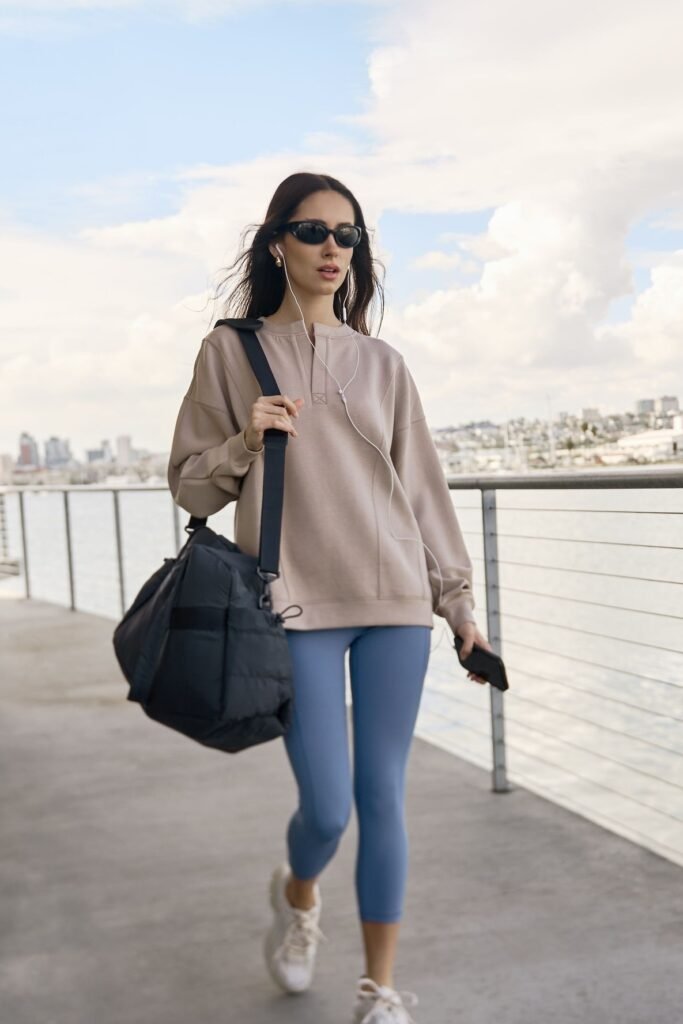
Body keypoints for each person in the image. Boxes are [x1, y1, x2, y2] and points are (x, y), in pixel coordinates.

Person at [167, 171, 494, 1024]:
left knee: (382, 797)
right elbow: (191, 490)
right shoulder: (229, 351)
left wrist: (457, 607)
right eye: (313, 232)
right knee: (326, 806)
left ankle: (378, 988)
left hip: (393, 604)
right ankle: (298, 895)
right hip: (294, 607)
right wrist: (248, 437)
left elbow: (422, 493)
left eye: (347, 236)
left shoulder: (383, 364)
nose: (332, 251)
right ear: (277, 242)